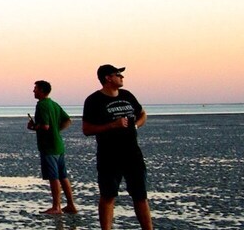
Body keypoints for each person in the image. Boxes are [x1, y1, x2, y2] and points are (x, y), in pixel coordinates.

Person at [83, 65, 153, 230]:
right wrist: (112, 125)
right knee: (108, 195)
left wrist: (135, 125)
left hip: (132, 153)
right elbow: (87, 129)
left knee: (140, 195)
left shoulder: (127, 95)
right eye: (118, 74)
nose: (122, 77)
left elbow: (143, 114)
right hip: (109, 155)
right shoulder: (93, 100)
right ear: (108, 78)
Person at [28, 80, 79, 215]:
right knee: (63, 176)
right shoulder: (54, 104)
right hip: (58, 145)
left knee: (54, 177)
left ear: (42, 90)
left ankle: (56, 207)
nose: (33, 91)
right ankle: (71, 205)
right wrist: (57, 130)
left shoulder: (42, 105)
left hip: (49, 146)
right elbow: (68, 120)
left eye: (35, 88)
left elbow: (45, 126)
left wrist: (33, 127)